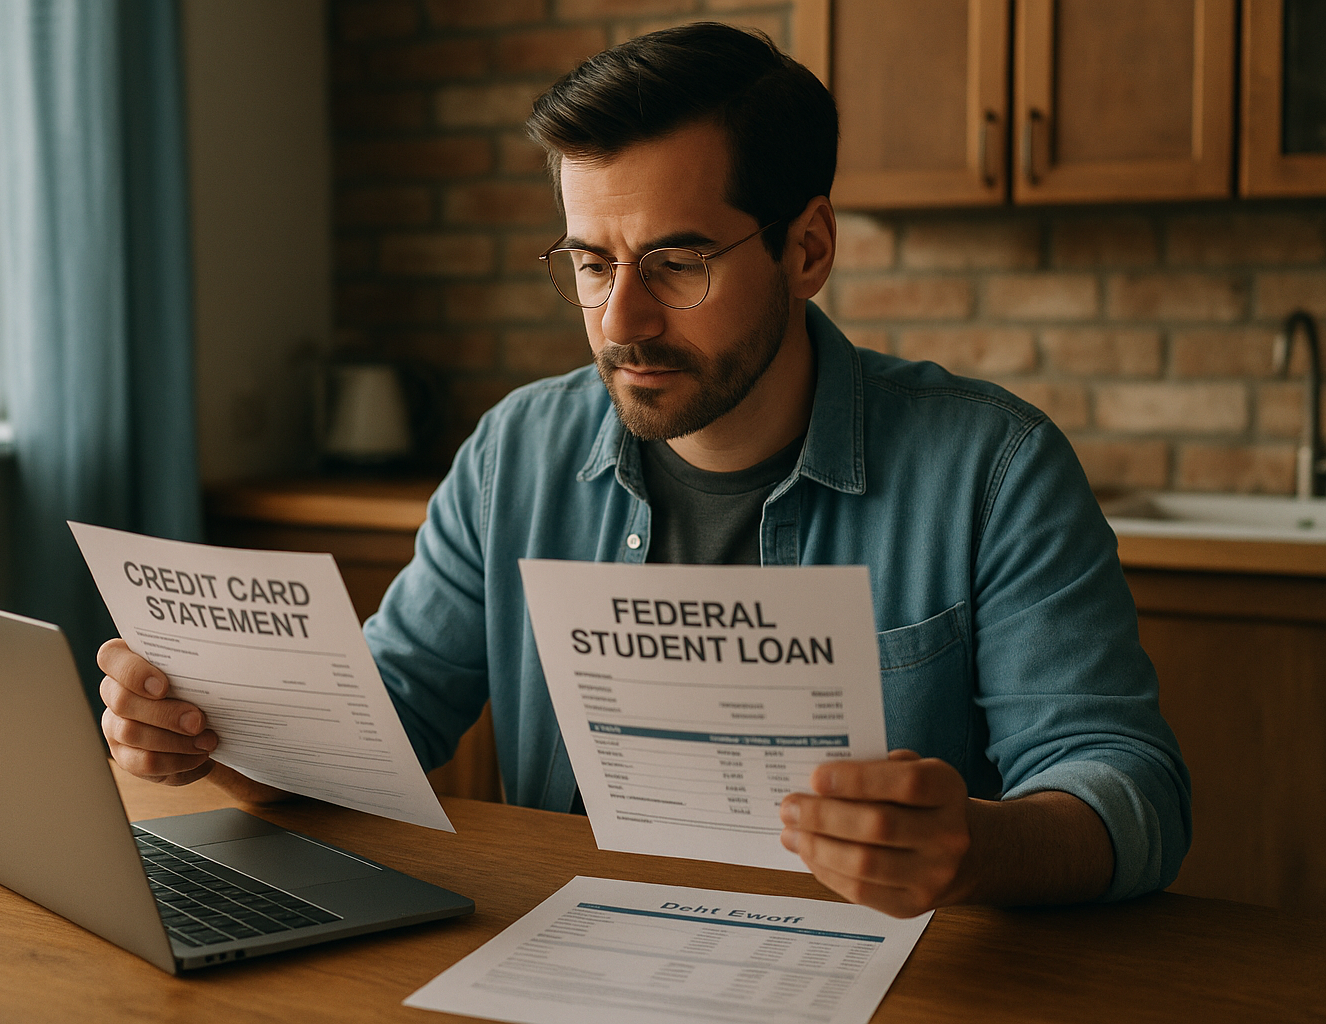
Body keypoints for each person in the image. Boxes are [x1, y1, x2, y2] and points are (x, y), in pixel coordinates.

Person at [98, 23, 1190, 918]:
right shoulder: (513, 453)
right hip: (568, 959)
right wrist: (211, 733)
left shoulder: (993, 467)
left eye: (678, 262)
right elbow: (381, 722)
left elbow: (1130, 788)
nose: (623, 319)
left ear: (807, 248)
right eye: (590, 263)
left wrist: (979, 847)